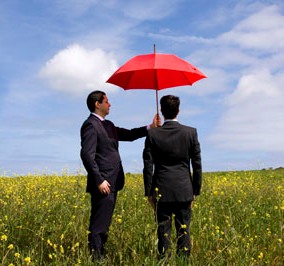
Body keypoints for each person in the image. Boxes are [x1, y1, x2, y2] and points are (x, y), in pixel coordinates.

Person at [80, 90, 160, 261]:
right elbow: (87, 155)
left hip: (113, 181)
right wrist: (99, 180)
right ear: (97, 104)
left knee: (104, 223)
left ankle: (101, 253)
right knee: (98, 224)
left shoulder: (108, 125)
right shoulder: (90, 125)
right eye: (107, 101)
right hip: (103, 183)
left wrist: (150, 127)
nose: (110, 104)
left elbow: (129, 135)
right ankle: (96, 258)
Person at [143, 95, 202, 259]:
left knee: (163, 231)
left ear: (161, 111)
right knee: (184, 230)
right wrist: (195, 191)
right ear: (179, 110)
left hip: (161, 189)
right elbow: (197, 164)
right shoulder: (191, 132)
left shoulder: (153, 134)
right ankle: (184, 262)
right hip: (184, 190)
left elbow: (148, 165)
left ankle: (164, 262)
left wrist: (149, 192)